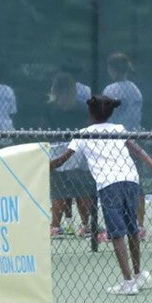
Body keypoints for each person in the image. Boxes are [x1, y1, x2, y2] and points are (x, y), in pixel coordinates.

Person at [49, 96, 152, 295]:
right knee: (132, 229)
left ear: (90, 113)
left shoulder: (83, 134)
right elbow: (138, 151)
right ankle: (137, 275)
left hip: (109, 185)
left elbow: (62, 160)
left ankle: (129, 281)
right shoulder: (118, 129)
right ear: (110, 113)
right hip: (131, 180)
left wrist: (43, 166)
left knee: (116, 233)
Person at [46, 71, 98, 239]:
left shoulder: (50, 108)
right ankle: (85, 225)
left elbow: (44, 129)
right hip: (77, 149)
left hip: (58, 149)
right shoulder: (82, 108)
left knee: (58, 189)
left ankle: (56, 226)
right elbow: (88, 127)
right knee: (81, 187)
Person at [102, 52, 147, 236]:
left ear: (113, 69)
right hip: (134, 138)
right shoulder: (135, 89)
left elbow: (105, 115)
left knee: (115, 183)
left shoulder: (111, 90)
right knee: (136, 182)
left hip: (117, 142)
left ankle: (118, 226)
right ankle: (139, 225)